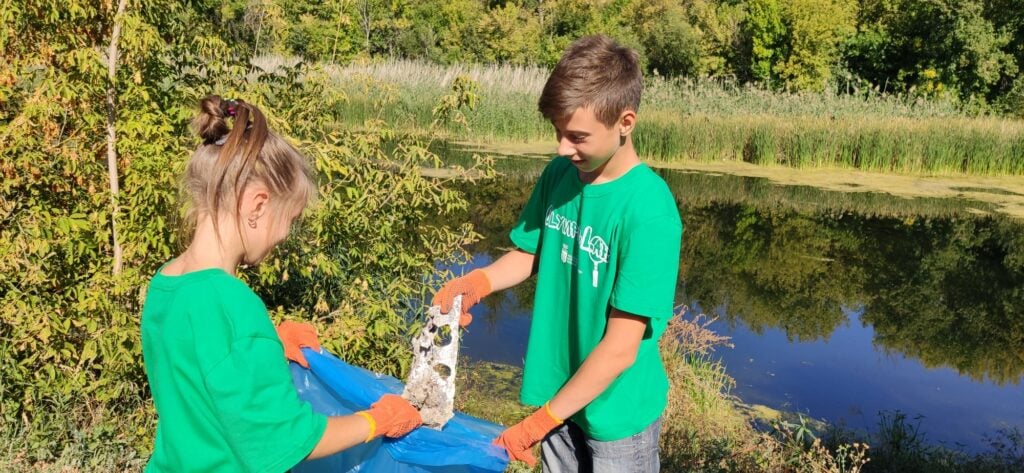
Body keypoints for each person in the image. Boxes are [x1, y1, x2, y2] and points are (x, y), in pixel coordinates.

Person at [433, 35, 683, 472]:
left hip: (617, 412)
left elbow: (622, 348)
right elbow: (532, 252)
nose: (562, 148)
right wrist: (479, 282)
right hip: (558, 393)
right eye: (557, 132)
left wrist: (537, 423)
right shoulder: (560, 175)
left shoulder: (649, 211)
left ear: (626, 121)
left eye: (577, 136)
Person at [140, 96, 422, 472]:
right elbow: (288, 442)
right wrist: (377, 420)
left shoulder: (167, 282)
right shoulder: (233, 303)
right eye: (290, 217)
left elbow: (201, 371)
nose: (285, 235)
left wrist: (269, 346)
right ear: (257, 205)